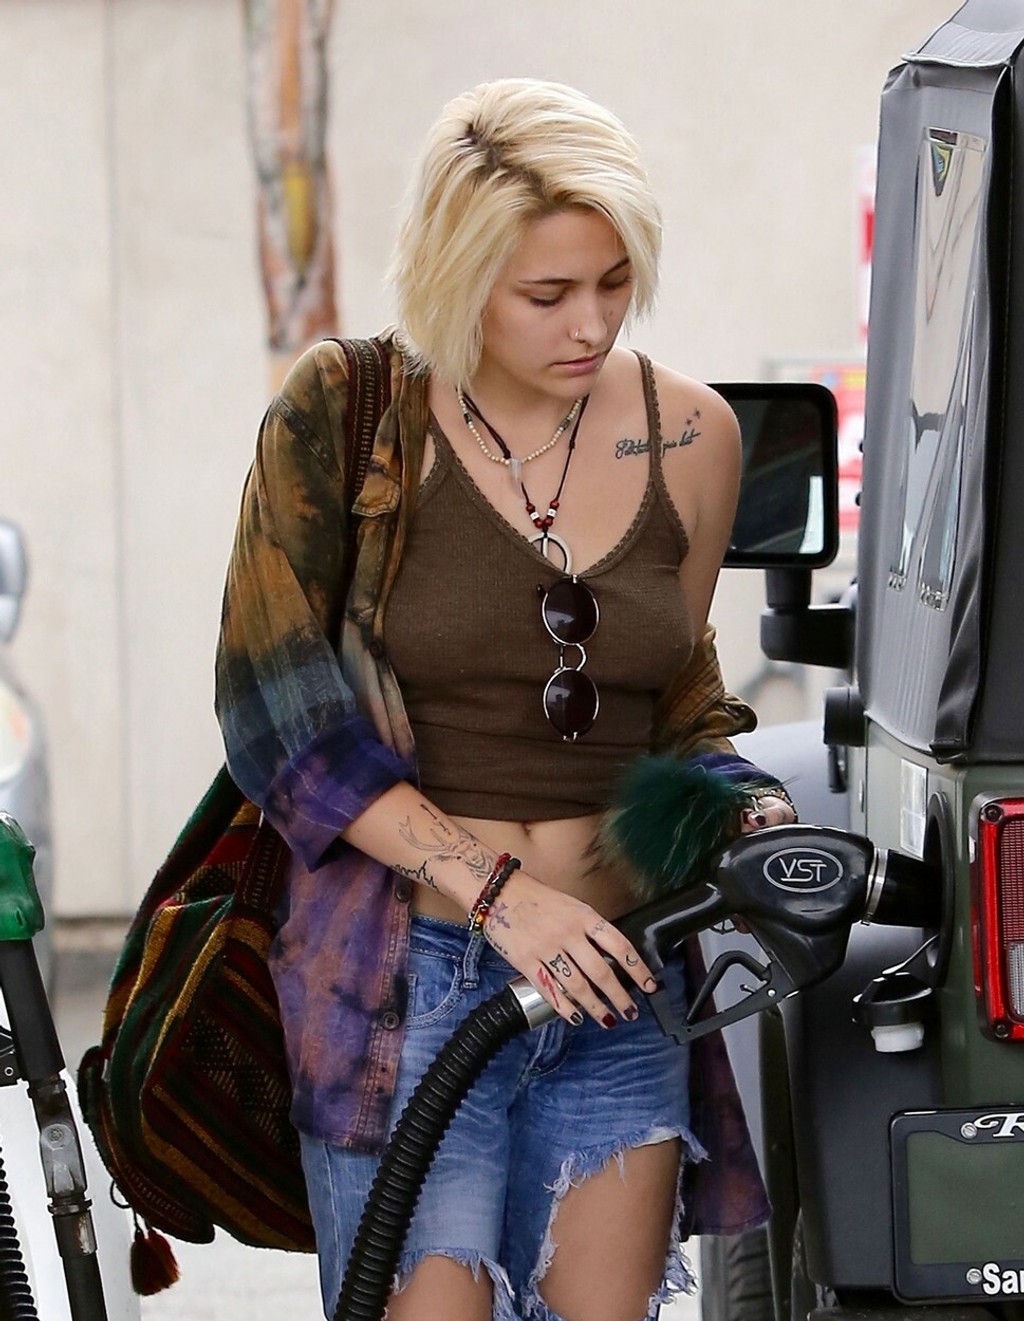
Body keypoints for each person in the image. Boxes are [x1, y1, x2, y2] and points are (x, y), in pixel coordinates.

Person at [216, 78, 794, 1321]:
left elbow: (676, 705)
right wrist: (498, 895)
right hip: (408, 983)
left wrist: (744, 803)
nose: (589, 323)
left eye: (615, 282)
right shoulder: (350, 414)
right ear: (459, 273)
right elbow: (276, 714)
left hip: (620, 970)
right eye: (546, 293)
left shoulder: (690, 435)